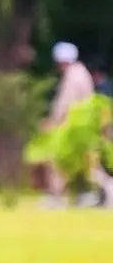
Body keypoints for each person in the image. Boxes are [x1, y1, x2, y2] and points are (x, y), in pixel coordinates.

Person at [43, 41, 95, 203]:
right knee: (83, 162)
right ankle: (85, 195)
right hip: (84, 125)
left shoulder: (72, 76)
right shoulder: (83, 73)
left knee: (58, 160)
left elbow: (65, 103)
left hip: (72, 127)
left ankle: (56, 196)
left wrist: (53, 122)